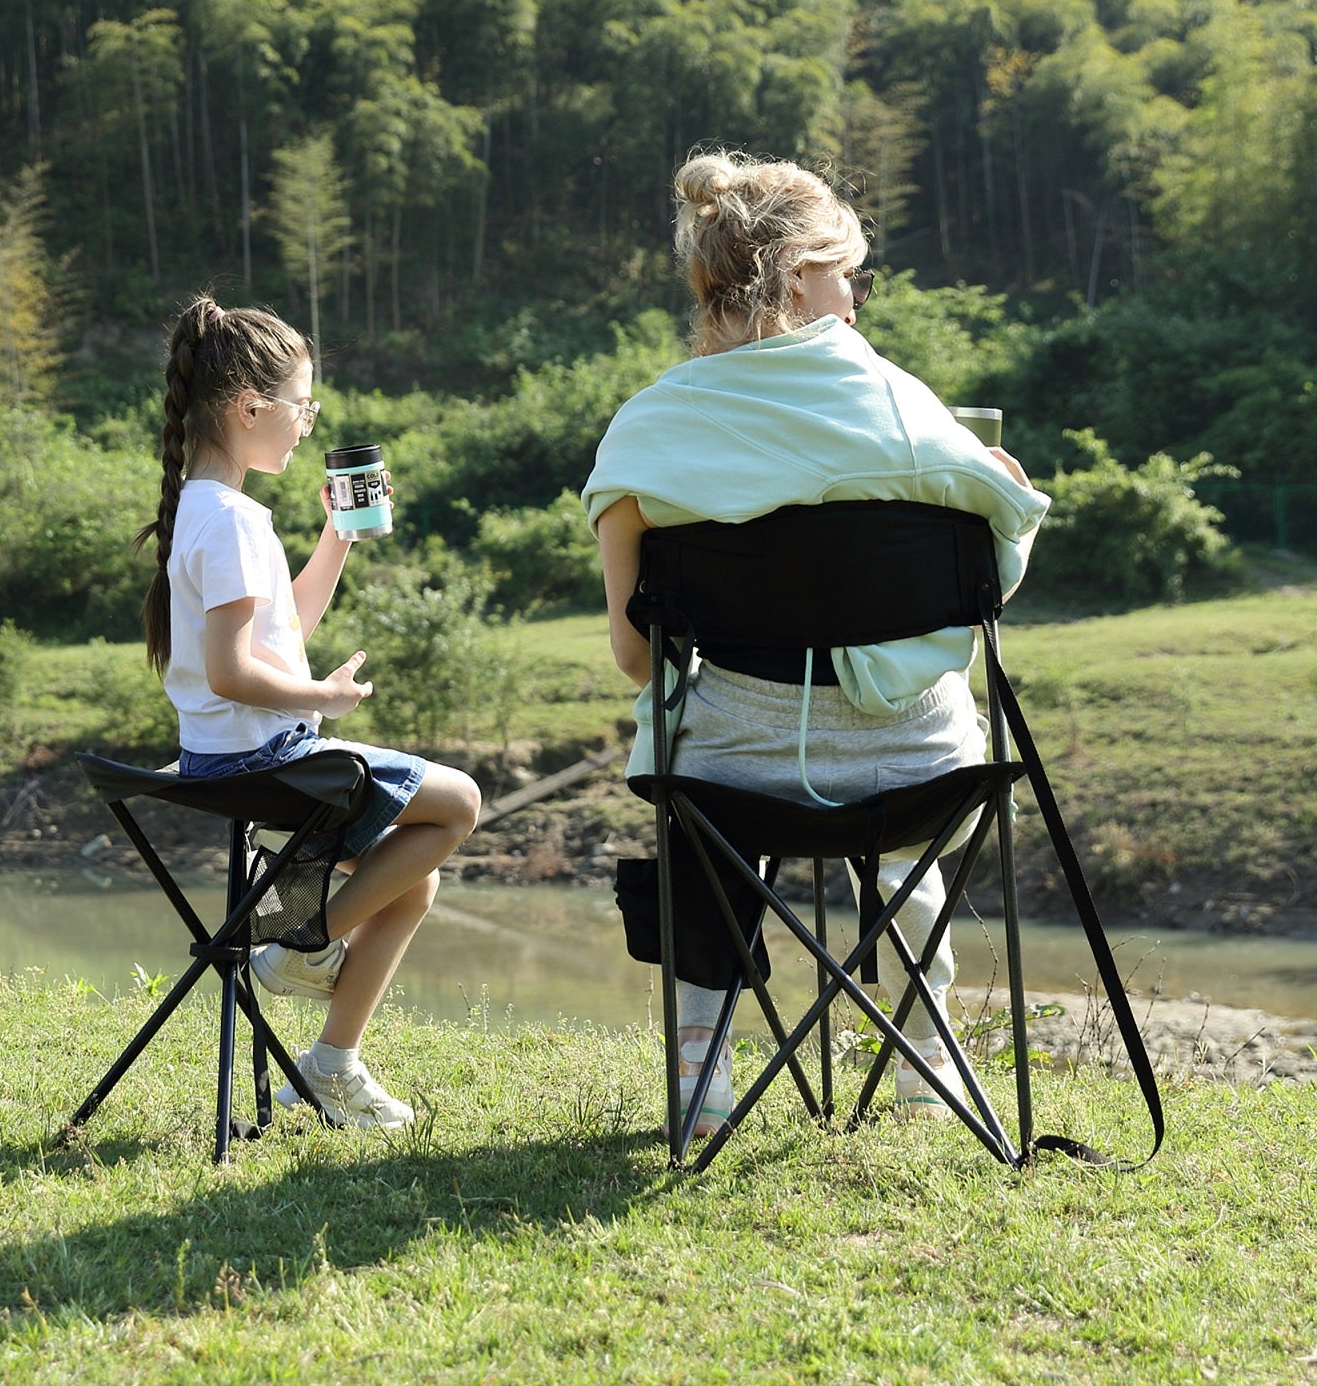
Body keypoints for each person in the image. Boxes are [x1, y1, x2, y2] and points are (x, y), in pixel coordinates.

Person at [582, 151, 1050, 1133]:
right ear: (800, 278)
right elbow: (989, 585)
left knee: (692, 743)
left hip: (730, 787)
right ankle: (927, 1050)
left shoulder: (643, 429)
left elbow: (638, 658)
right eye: (849, 273)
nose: (857, 295)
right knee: (926, 719)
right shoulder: (900, 402)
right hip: (915, 772)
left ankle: (699, 1060)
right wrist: (998, 494)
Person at [138, 295, 481, 1130]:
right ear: (250, 408)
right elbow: (232, 673)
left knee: (414, 876)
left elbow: (275, 632)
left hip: (235, 758)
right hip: (264, 763)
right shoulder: (233, 520)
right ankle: (294, 943)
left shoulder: (210, 510)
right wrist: (323, 697)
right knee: (460, 802)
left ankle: (330, 1063)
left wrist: (337, 538)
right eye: (303, 405)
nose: (307, 423)